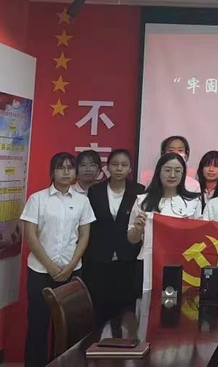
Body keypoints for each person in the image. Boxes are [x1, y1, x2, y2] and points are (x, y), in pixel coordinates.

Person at [20, 152, 96, 367]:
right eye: (60, 168)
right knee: (38, 324)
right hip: (41, 271)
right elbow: (31, 236)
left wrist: (71, 266)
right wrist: (50, 266)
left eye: (70, 168)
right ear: (52, 172)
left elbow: (84, 236)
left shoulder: (82, 201)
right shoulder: (37, 199)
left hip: (72, 271)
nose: (66, 172)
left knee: (70, 326)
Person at [84, 149, 145, 324]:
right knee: (99, 314)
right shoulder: (95, 191)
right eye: (115, 164)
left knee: (126, 316)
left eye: (124, 165)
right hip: (99, 260)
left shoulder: (139, 191)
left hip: (128, 260)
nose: (119, 168)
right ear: (107, 167)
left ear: (130, 169)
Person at [128, 153, 201, 291]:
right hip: (149, 263)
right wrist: (138, 229)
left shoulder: (193, 202)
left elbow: (199, 237)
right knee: (149, 301)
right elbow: (132, 239)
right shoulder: (143, 201)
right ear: (159, 172)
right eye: (167, 170)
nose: (172, 175)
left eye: (177, 171)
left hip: (182, 264)